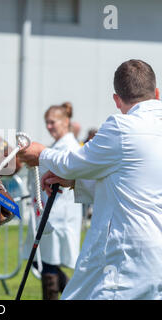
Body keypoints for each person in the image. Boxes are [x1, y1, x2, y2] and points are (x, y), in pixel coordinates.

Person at [18, 59, 162, 299]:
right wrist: (74, 182)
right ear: (156, 93)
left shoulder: (122, 127)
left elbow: (73, 163)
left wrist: (40, 154)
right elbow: (132, 184)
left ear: (116, 99)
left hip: (127, 253)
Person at [28, 102, 82, 300]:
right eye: (46, 123)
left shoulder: (70, 147)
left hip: (59, 213)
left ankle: (73, 294)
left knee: (48, 262)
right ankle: (73, 294)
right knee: (42, 261)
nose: (49, 126)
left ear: (65, 121)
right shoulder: (56, 147)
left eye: (53, 122)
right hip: (49, 211)